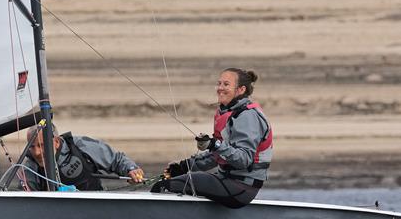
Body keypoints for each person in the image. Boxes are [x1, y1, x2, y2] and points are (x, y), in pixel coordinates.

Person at [152, 68, 272, 208]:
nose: (220, 88)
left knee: (162, 187)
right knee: (174, 182)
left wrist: (215, 144)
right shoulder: (228, 113)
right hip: (226, 180)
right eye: (219, 83)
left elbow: (243, 160)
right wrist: (184, 166)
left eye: (226, 84)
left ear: (241, 90)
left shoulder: (247, 116)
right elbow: (217, 156)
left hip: (241, 187)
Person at [19, 124, 145, 191]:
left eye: (41, 145)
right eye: (32, 146)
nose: (36, 152)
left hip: (95, 207)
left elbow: (116, 160)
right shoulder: (29, 169)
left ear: (56, 142)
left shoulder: (80, 146)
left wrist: (131, 169)